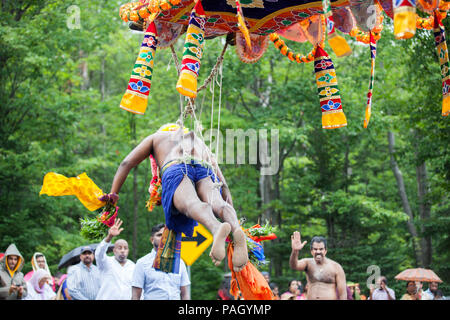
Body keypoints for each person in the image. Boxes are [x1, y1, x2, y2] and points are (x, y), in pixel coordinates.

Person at [108, 123, 248, 272]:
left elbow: (126, 163)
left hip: (176, 167)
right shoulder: (199, 143)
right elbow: (223, 184)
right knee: (218, 203)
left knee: (190, 203)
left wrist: (113, 194)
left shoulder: (157, 137)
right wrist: (233, 219)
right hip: (204, 167)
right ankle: (236, 228)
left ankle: (216, 228)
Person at [132, 223, 191, 300]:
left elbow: (185, 294)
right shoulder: (142, 263)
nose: (163, 237)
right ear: (152, 240)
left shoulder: (179, 262)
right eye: (159, 235)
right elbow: (135, 296)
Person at [289, 232, 347, 300]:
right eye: (315, 249)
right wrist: (295, 251)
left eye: (321, 249)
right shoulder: (307, 263)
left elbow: (342, 294)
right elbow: (294, 265)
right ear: (311, 251)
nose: (318, 252)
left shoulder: (336, 267)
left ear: (325, 251)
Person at [95, 218, 136, 300]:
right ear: (114, 250)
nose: (122, 251)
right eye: (119, 248)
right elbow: (99, 253)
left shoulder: (133, 266)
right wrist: (109, 237)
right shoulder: (106, 262)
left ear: (128, 251)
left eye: (125, 248)